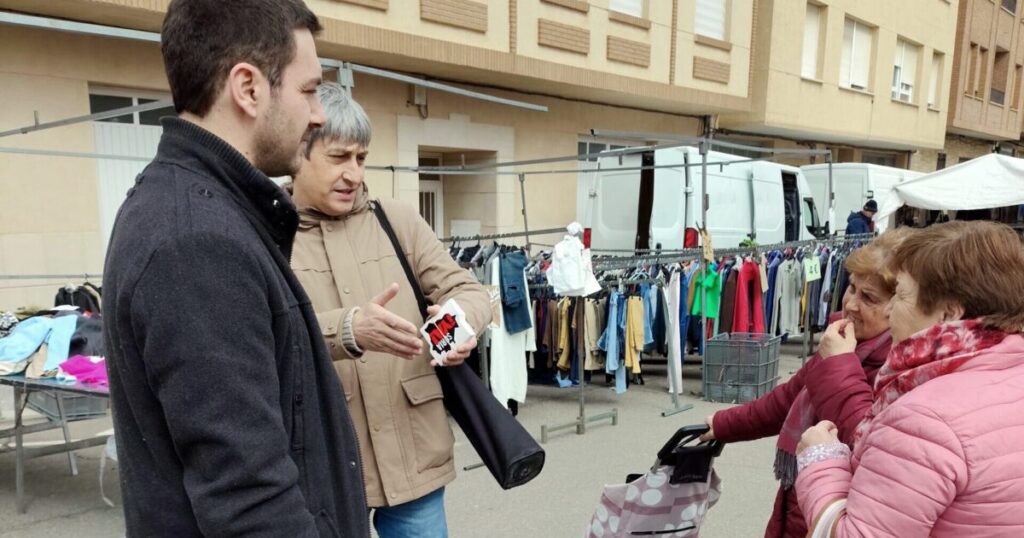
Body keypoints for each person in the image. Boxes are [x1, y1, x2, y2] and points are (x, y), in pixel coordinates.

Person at [102, 2, 368, 536]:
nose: (318, 114)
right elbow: (250, 501)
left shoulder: (206, 215)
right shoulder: (195, 243)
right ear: (248, 88)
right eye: (309, 90)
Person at [289, 84, 491, 538]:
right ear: (299, 152)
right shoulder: (270, 234)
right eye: (339, 157)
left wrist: (455, 328)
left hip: (413, 454)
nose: (353, 173)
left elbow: (467, 289)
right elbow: (262, 334)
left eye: (361, 158)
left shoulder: (397, 220)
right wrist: (347, 330)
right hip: (324, 462)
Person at [797, 221, 1024, 537]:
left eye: (901, 295)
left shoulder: (924, 417)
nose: (890, 309)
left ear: (948, 314)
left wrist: (821, 461)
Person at [700, 229, 912, 538]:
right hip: (801, 504)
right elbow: (787, 398)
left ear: (902, 305)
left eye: (869, 298)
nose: (851, 304)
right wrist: (722, 424)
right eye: (852, 288)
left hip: (836, 515)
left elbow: (865, 441)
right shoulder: (843, 341)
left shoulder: (900, 367)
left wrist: (840, 363)